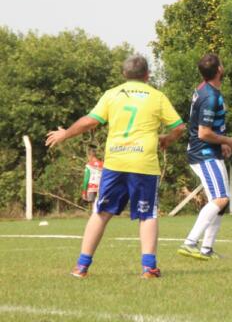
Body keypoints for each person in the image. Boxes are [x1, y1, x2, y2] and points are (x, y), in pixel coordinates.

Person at [46, 55, 186, 279]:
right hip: (144, 164)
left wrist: (65, 134)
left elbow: (90, 121)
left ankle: (81, 267)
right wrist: (167, 139)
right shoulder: (157, 97)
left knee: (101, 212)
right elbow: (179, 127)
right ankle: (149, 268)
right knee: (147, 214)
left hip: (116, 162)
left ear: (124, 75)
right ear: (147, 75)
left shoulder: (112, 94)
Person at [177, 53, 232, 259]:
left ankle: (206, 249)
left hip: (210, 151)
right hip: (203, 154)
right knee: (220, 199)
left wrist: (221, 144)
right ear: (219, 70)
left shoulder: (205, 89)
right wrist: (228, 140)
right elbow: (203, 132)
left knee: (220, 201)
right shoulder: (210, 96)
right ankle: (190, 242)